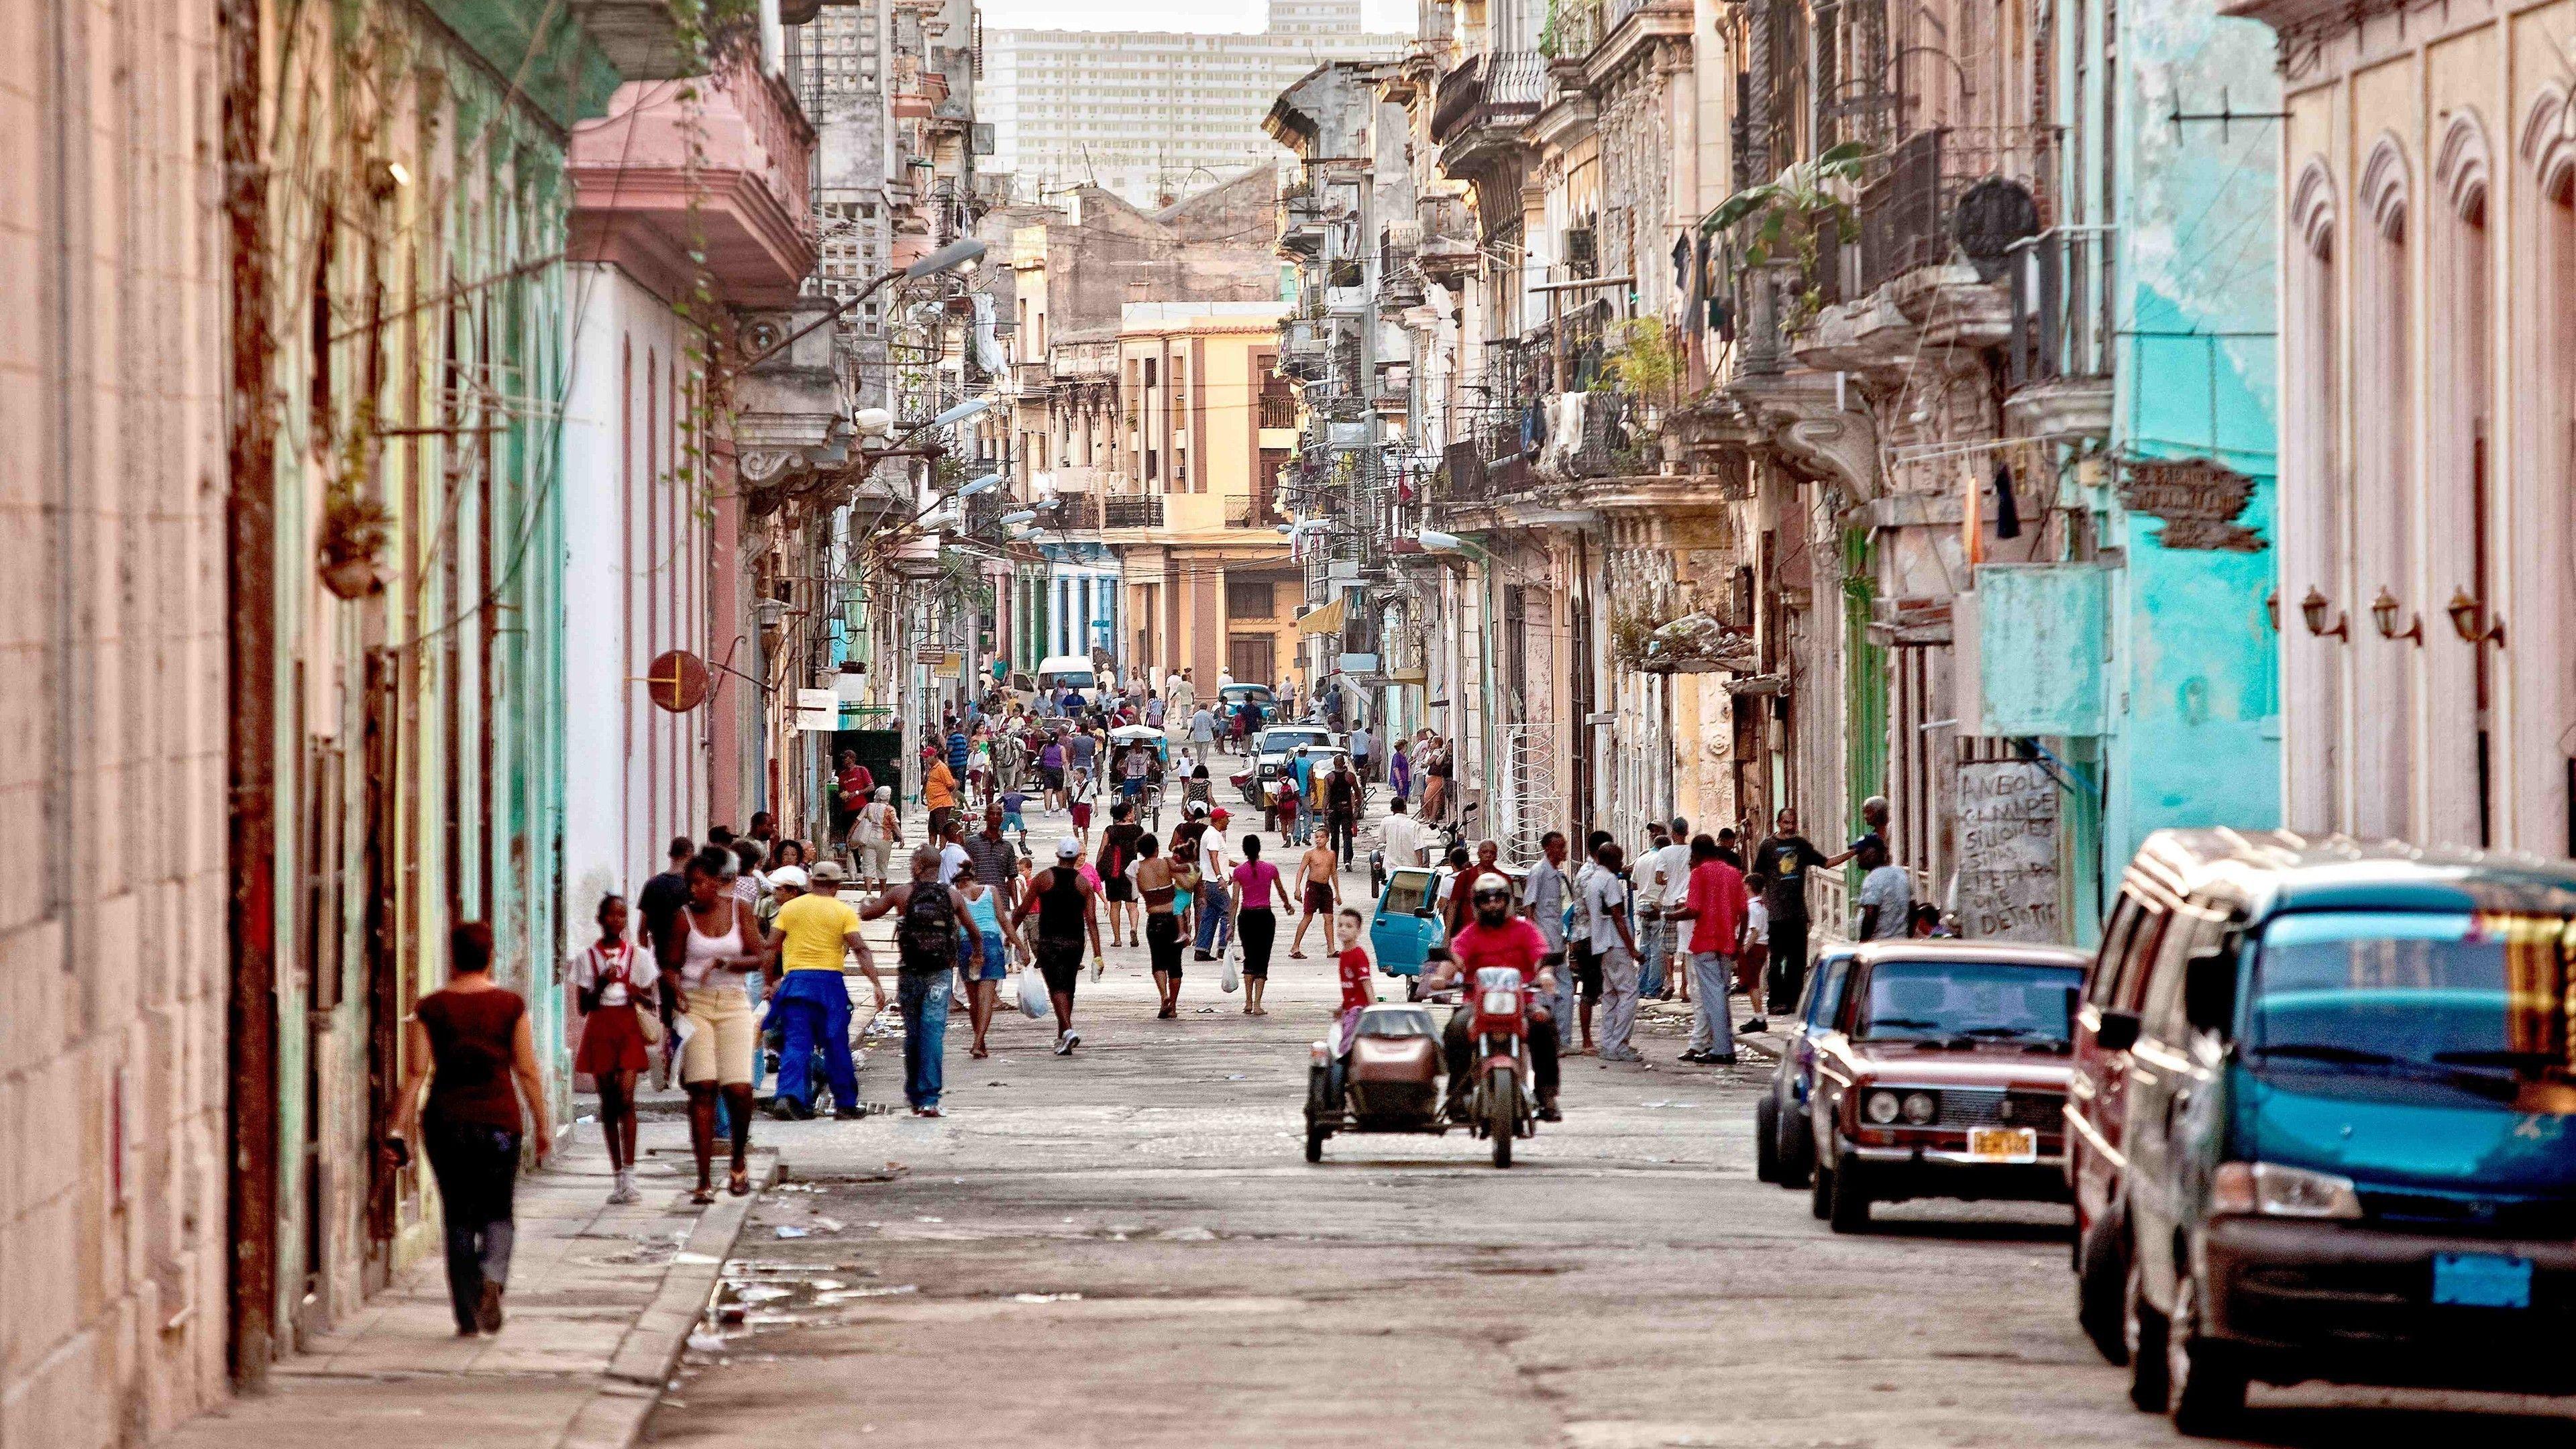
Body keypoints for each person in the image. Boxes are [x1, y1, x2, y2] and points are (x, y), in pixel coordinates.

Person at [388, 922, 551, 1336]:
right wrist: (543, 1123)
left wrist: (397, 1126)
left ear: (453, 956)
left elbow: (415, 1073)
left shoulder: (432, 1008)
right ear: (490, 955)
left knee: (458, 1215)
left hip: (447, 1123)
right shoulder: (510, 1006)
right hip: (499, 1123)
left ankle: (466, 1314)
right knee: (499, 1210)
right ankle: (492, 1276)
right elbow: (527, 1071)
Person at [1424, 878, 1562, 1122]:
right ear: (1477, 905)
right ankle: (1458, 1094)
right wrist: (1440, 977)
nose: (1492, 905)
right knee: (1455, 1031)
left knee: (1544, 1025)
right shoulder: (1470, 933)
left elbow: (1541, 958)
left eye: (1498, 898)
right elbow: (1454, 959)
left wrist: (1546, 975)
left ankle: (1546, 1095)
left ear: (1508, 901)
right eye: (1486, 900)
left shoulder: (1525, 929)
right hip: (1477, 1005)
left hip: (1522, 1001)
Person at [673, 845, 766, 1201]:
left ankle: (738, 1162)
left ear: (716, 882)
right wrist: (672, 991)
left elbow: (759, 955)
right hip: (694, 1003)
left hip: (732, 1002)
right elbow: (668, 963)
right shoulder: (683, 918)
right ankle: (702, 1178)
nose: (693, 889)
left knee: (739, 1088)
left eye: (699, 883)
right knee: (703, 1086)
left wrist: (728, 965)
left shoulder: (739, 911)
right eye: (689, 883)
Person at [762, 863, 883, 1119]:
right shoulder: (843, 912)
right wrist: (875, 983)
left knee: (796, 1043)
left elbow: (771, 947)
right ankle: (845, 1103)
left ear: (812, 883)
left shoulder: (790, 909)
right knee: (835, 1044)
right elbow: (860, 949)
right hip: (829, 985)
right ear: (837, 886)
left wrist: (767, 982)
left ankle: (789, 1097)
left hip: (796, 983)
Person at [859, 847, 973, 1115]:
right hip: (940, 974)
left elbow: (868, 914)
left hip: (910, 972)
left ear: (920, 866)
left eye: (912, 862)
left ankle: (914, 1093)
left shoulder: (902, 893)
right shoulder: (952, 895)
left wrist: (865, 903)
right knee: (933, 1031)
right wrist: (977, 954)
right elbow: (973, 930)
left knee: (914, 1033)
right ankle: (930, 1098)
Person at [572, 896, 656, 1205]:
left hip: (627, 1026)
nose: (617, 920)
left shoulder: (638, 956)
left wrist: (636, 993)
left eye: (622, 915)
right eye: (611, 915)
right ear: (601, 918)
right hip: (601, 1028)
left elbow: (650, 1000)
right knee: (608, 1103)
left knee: (626, 1099)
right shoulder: (587, 958)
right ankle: (617, 1175)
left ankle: (631, 1176)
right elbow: (584, 1006)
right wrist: (601, 982)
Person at [1750, 808, 1858, 1023]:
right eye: (1786, 822)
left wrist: (1853, 852)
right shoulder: (1767, 846)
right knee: (1777, 959)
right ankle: (1776, 1002)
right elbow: (1758, 876)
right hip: (1776, 914)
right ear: (1779, 822)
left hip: (1798, 912)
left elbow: (1826, 863)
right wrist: (1759, 903)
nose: (1790, 826)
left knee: (1797, 961)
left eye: (1793, 823)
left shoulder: (1801, 845)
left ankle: (1795, 1001)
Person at [1012, 838, 1108, 1055]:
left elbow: (1022, 910)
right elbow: (1091, 920)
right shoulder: (1084, 884)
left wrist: (1009, 935)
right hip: (1075, 942)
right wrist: (1098, 955)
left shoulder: (1044, 878)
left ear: (1058, 855)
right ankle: (1062, 1036)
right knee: (1068, 987)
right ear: (1076, 858)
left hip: (1050, 941)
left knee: (1056, 987)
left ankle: (1067, 1029)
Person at [1666, 835, 1749, 1064]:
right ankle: (1725, 1045)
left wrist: (1667, 915)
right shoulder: (1733, 873)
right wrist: (1740, 942)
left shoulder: (1699, 873)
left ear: (1698, 854)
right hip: (1727, 941)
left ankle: (1722, 1049)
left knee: (1713, 997)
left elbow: (1693, 910)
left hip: (1705, 941)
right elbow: (1744, 911)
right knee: (1721, 994)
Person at [635, 836, 694, 1088]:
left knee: (666, 1012)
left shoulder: (653, 885)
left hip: (660, 955)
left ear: (670, 854)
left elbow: (642, 928)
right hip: (690, 956)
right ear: (690, 854)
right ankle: (686, 1066)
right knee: (691, 1010)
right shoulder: (693, 886)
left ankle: (670, 1061)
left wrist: (645, 958)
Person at [1584, 841, 1646, 1062]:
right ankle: (1619, 1044)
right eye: (1619, 860)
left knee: (1610, 995)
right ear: (1611, 860)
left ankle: (1609, 1043)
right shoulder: (1609, 880)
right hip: (1616, 944)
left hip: (1601, 944)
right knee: (1629, 993)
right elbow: (1618, 918)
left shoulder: (1593, 880)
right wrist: (1633, 950)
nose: (1622, 864)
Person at [955, 856, 1010, 1059]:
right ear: (973, 878)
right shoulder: (991, 891)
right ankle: (979, 1042)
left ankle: (980, 1041)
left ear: (960, 881)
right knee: (986, 998)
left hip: (967, 945)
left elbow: (955, 927)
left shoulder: (957, 896)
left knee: (973, 1000)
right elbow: (1003, 920)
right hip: (991, 945)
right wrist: (1020, 945)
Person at [1522, 830, 1578, 1030]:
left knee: (1562, 989)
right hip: (1544, 943)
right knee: (1549, 990)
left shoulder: (1557, 875)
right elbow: (1529, 905)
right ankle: (1552, 1036)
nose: (1564, 851)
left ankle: (1561, 1037)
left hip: (1556, 941)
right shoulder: (1539, 872)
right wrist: (1532, 940)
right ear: (1548, 849)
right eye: (1560, 846)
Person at [1232, 835, 1292, 1014]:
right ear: (1259, 849)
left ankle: (1248, 1002)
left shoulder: (1239, 872)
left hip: (1246, 917)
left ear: (1244, 850)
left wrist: (1230, 925)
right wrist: (1287, 906)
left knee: (1249, 956)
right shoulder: (1270, 869)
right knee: (1262, 957)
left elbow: (1235, 900)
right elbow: (1281, 891)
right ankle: (1258, 1004)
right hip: (1265, 917)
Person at [1132, 833, 1188, 1019]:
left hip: (1154, 919)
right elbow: (1183, 876)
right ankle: (1173, 1005)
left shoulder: (1138, 868)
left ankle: (1163, 996)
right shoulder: (1166, 863)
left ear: (1140, 852)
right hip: (1173, 918)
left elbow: (1136, 892)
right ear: (1157, 848)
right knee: (1175, 964)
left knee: (1158, 962)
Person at [1634, 821, 1676, 1001]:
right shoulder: (1664, 859)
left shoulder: (1642, 858)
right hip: (1658, 906)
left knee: (1644, 949)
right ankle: (1653, 989)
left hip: (1642, 905)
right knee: (1658, 950)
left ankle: (1641, 988)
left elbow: (1634, 884)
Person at [1443, 839, 1511, 939]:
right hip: (1468, 936)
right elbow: (1453, 906)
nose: (1488, 855)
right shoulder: (1465, 877)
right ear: (1479, 854)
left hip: (1496, 937)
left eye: (1492, 852)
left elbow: (1509, 909)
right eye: (1485, 852)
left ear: (1496, 856)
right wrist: (1447, 936)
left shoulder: (1504, 879)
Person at [1288, 828, 1340, 959]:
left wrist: (1337, 893)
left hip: (1326, 888)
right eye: (1316, 837)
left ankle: (1331, 949)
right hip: (1312, 887)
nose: (1318, 840)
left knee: (1329, 918)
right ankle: (1295, 948)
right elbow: (1301, 870)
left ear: (1327, 839)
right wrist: (1297, 888)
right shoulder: (1309, 854)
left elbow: (1333, 873)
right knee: (1308, 917)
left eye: (1322, 837)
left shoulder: (1331, 854)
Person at [1097, 802, 1144, 947]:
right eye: (1133, 812)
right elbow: (1145, 849)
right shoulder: (1138, 830)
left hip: (1114, 873)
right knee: (1133, 906)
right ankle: (1133, 928)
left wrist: (1098, 868)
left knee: (1115, 906)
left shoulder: (1110, 830)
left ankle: (1117, 939)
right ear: (1128, 814)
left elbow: (1102, 850)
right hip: (1131, 872)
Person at [1854, 836, 1912, 941]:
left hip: (1879, 944)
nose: (1858, 858)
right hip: (1901, 943)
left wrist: (1863, 944)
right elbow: (1913, 908)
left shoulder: (1872, 879)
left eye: (1860, 853)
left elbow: (1870, 915)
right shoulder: (1900, 873)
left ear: (1872, 853)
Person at [1736, 872, 1773, 1028]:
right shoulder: (1762, 906)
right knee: (1753, 983)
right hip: (1761, 947)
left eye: (1744, 885)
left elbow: (1754, 932)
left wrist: (1744, 950)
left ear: (1749, 886)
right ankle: (1758, 1016)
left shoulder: (1752, 908)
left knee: (1753, 984)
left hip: (1754, 948)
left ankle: (1759, 1017)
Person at [853, 786, 899, 889]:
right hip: (885, 840)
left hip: (869, 839)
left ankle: (869, 892)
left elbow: (858, 821)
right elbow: (895, 825)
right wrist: (901, 838)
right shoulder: (890, 809)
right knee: (882, 866)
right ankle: (882, 893)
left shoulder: (869, 806)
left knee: (867, 865)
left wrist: (850, 835)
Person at [1378, 794, 1432, 871]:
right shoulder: (1414, 825)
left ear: (1391, 809)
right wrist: (1420, 866)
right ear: (1404, 808)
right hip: (1411, 868)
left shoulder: (1385, 821)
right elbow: (1418, 847)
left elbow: (1382, 840)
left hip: (1391, 868)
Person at [1324, 755, 1362, 863]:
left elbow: (1327, 795)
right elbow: (1357, 792)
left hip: (1333, 809)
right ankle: (1348, 860)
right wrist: (1358, 804)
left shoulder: (1329, 777)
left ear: (1334, 763)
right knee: (1347, 835)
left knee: (1334, 836)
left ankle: (1334, 861)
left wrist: (1323, 811)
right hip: (1346, 809)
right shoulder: (1350, 776)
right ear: (1344, 763)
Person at [924, 749, 959, 841]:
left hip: (941, 803)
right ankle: (932, 849)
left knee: (942, 829)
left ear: (934, 756)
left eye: (927, 757)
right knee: (932, 830)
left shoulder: (942, 768)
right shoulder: (933, 768)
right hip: (934, 805)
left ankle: (942, 850)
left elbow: (951, 785)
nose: (925, 759)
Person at [1348, 721, 1374, 786]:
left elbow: (1349, 733)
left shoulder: (1358, 733)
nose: (1352, 727)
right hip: (1365, 755)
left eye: (1353, 725)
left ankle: (1360, 787)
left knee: (1358, 773)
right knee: (1363, 773)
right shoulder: (1365, 734)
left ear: (1356, 725)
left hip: (1359, 757)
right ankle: (1363, 787)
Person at [1388, 738, 1411, 803]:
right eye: (1406, 746)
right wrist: (1400, 781)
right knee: (1401, 797)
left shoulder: (1404, 756)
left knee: (1405, 798)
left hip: (1405, 779)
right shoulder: (1397, 756)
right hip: (1401, 779)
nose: (1407, 747)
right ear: (1402, 747)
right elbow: (1396, 769)